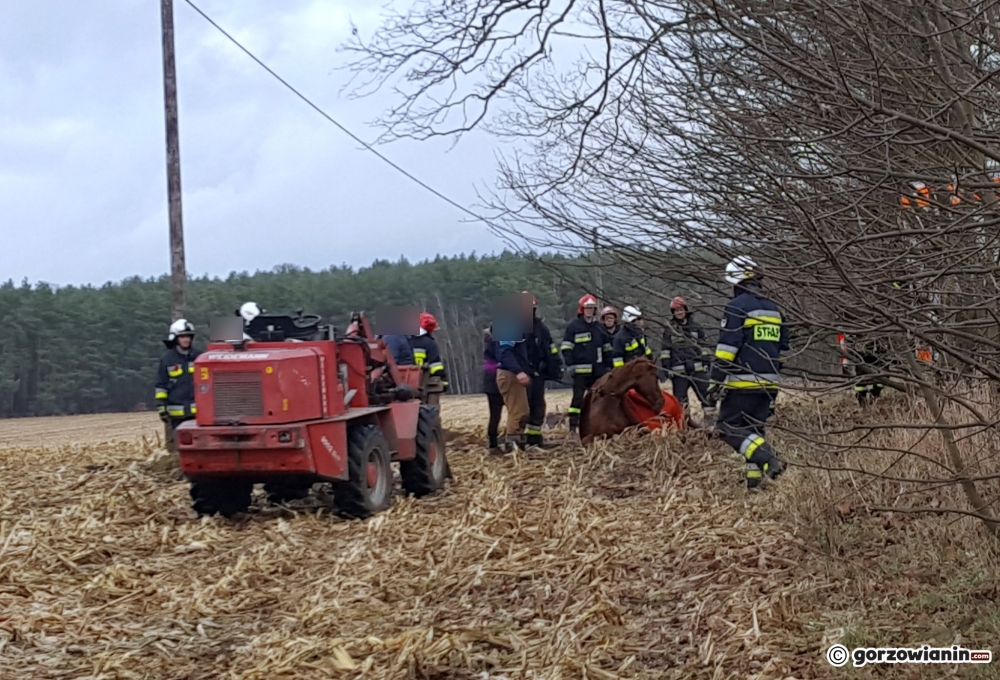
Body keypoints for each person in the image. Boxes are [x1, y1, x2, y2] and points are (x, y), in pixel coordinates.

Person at [706, 256, 788, 490]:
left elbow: (726, 350)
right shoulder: (774, 308)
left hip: (742, 382)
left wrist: (714, 382)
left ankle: (769, 458)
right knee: (753, 430)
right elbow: (782, 350)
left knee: (728, 428)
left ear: (736, 281)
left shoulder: (737, 306)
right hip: (769, 382)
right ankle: (755, 482)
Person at [561, 293, 611, 441]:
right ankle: (573, 427)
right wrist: (570, 365)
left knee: (597, 399)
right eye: (587, 308)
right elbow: (566, 347)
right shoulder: (573, 327)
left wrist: (608, 367)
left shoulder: (600, 328)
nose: (589, 310)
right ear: (582, 309)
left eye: (592, 308)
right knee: (577, 400)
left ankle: (596, 425)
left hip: (598, 372)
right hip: (580, 372)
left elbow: (607, 349)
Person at [661, 296, 715, 427]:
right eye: (676, 311)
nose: (679, 312)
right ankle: (685, 427)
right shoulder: (669, 330)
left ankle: (710, 425)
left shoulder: (696, 327)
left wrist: (706, 361)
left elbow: (704, 346)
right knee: (681, 402)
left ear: (686, 310)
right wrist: (666, 368)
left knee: (707, 396)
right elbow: (665, 350)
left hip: (698, 371)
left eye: (681, 309)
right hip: (679, 373)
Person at [154, 319, 202, 453]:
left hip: (199, 414)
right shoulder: (168, 359)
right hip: (177, 416)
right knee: (181, 448)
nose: (186, 339)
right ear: (175, 338)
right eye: (182, 336)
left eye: (188, 336)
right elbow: (161, 385)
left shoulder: (199, 357)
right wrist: (161, 406)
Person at [522, 291, 562, 448]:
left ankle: (534, 439)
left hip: (538, 374)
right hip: (520, 375)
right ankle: (518, 440)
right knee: (522, 410)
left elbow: (550, 349)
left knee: (538, 406)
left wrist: (556, 367)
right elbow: (505, 353)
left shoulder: (540, 327)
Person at [495, 332, 532, 453]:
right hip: (510, 375)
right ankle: (512, 450)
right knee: (518, 413)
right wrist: (518, 371)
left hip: (512, 374)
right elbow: (504, 353)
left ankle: (518, 447)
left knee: (522, 411)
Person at [409, 312, 449, 390]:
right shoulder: (430, 343)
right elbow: (435, 365)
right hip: (421, 381)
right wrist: (443, 381)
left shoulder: (405, 340)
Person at [483, 325, 504, 454]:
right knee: (498, 415)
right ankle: (494, 443)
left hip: (491, 383)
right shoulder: (496, 344)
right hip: (497, 383)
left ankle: (493, 443)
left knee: (495, 415)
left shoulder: (488, 341)